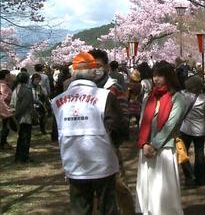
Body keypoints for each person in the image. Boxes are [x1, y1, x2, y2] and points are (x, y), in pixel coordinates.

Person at [51, 52, 128, 214]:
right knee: (108, 207)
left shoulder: (57, 101)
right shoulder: (105, 96)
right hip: (103, 162)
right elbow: (119, 128)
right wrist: (113, 144)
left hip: (73, 163)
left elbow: (55, 133)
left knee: (80, 208)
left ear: (73, 73)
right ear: (93, 72)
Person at [136, 61, 187, 215]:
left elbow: (170, 125)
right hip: (146, 148)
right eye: (154, 75)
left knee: (163, 185)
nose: (156, 79)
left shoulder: (177, 98)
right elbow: (142, 122)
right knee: (148, 183)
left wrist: (154, 145)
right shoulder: (149, 97)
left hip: (164, 148)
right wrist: (144, 143)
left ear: (169, 77)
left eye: (160, 75)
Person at [88, 49, 135, 215]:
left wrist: (114, 140)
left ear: (107, 66)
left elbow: (124, 115)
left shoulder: (113, 88)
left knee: (119, 185)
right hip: (89, 145)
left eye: (99, 65)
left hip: (109, 145)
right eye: (92, 66)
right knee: (92, 189)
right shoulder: (87, 88)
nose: (95, 69)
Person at [179, 75, 205, 187]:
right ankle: (201, 178)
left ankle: (189, 176)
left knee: (182, 153)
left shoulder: (184, 96)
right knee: (199, 154)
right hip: (200, 130)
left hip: (185, 129)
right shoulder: (204, 99)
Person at [11, 72, 34, 163]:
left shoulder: (15, 89)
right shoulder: (27, 90)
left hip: (17, 116)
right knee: (25, 137)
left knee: (21, 137)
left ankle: (18, 156)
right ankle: (24, 157)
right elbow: (24, 105)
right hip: (25, 116)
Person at [0, 70, 14, 150]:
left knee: (5, 126)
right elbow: (3, 98)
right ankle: (2, 143)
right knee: (6, 126)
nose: (10, 76)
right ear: (5, 76)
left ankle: (4, 142)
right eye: (9, 75)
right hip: (4, 109)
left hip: (4, 108)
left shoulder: (3, 84)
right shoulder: (3, 86)